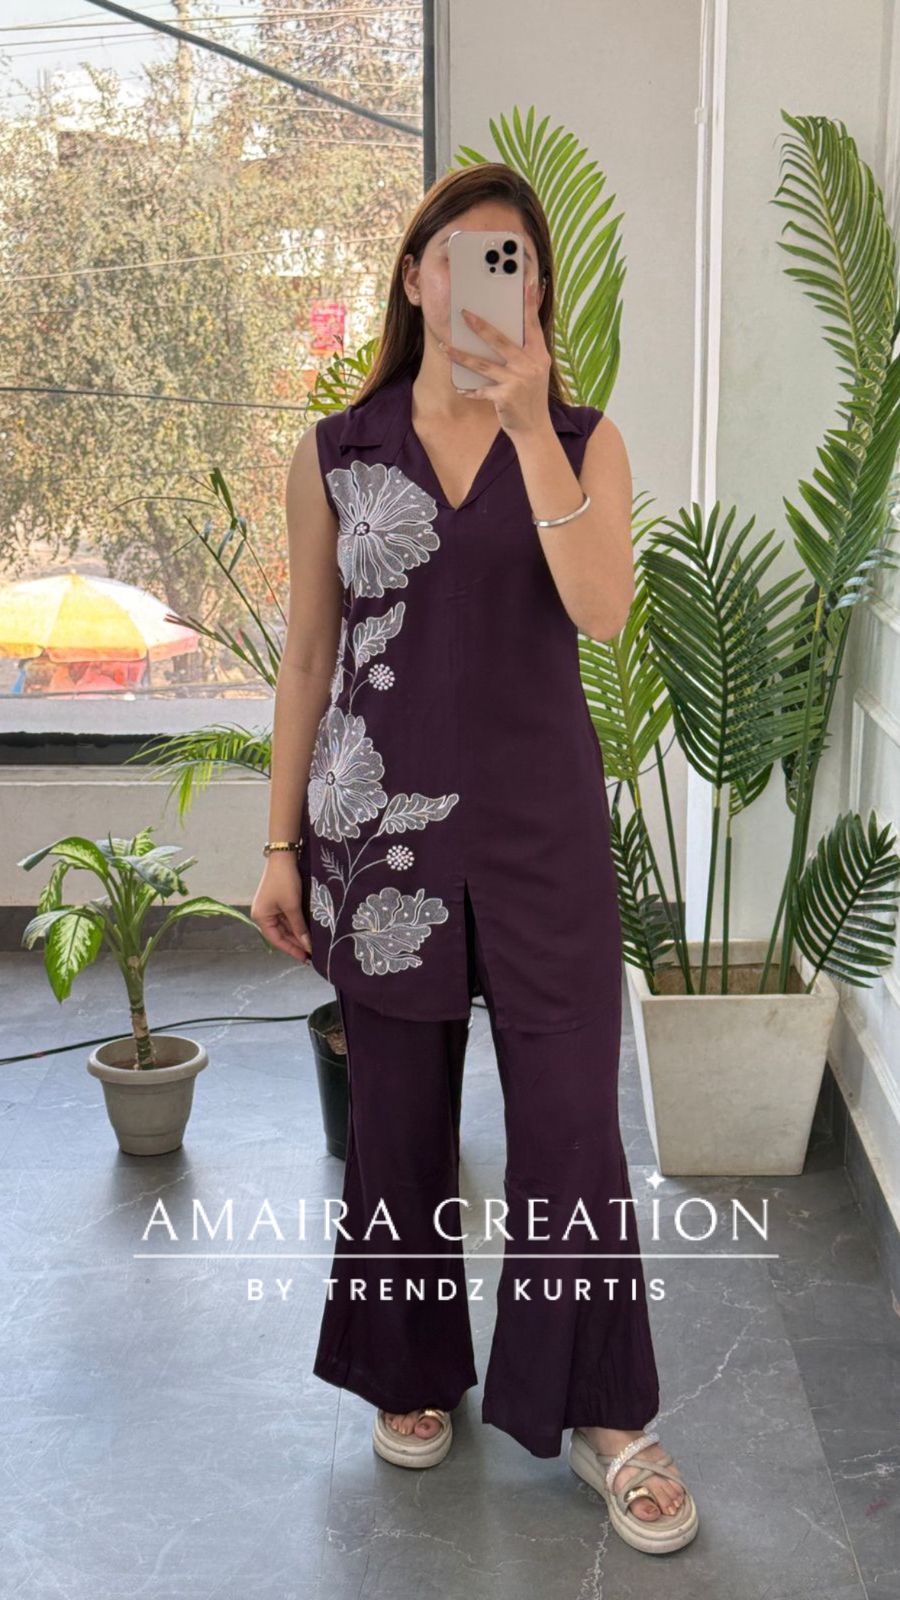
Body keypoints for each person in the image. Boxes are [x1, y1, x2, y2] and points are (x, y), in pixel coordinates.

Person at [251, 163, 698, 1556]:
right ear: (415, 280)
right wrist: (278, 842)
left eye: (514, 259)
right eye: (459, 256)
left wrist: (529, 427)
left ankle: (604, 1413)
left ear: (539, 291)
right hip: (377, 837)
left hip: (544, 836)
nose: (483, 282)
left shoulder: (585, 440)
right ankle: (407, 1363)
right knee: (394, 1123)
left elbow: (605, 610)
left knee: (571, 1126)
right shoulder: (337, 452)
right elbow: (309, 655)